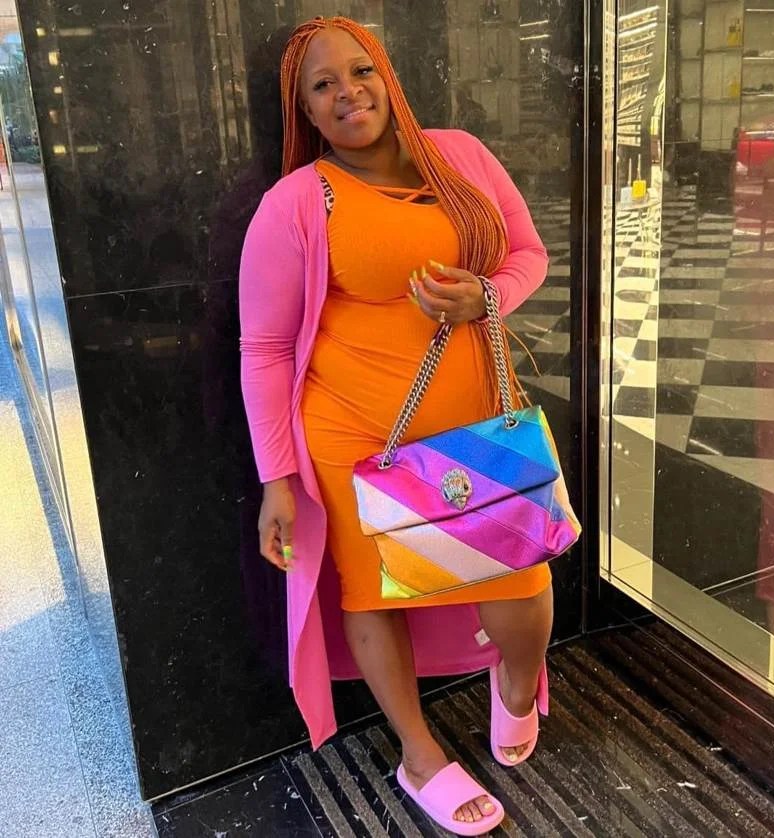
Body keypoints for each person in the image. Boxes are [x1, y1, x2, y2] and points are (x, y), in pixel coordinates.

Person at [239, 17, 552, 835]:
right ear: (305, 110)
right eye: (323, 85)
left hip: (478, 427)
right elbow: (263, 348)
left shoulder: (460, 156)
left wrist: (487, 297)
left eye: (361, 70)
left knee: (523, 585)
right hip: (353, 440)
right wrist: (277, 479)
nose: (348, 93)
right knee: (373, 595)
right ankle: (419, 756)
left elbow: (527, 253)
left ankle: (517, 686)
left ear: (387, 73)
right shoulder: (297, 202)